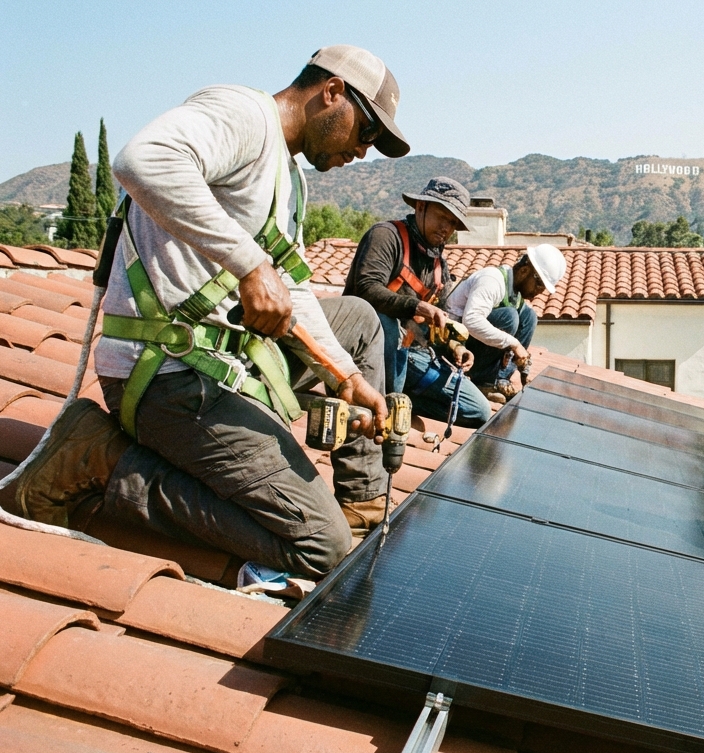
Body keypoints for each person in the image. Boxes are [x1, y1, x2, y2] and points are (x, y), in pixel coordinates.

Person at [6, 45, 410, 578]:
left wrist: (346, 377)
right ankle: (103, 459)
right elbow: (141, 159)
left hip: (220, 355)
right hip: (166, 374)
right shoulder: (244, 115)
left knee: (357, 319)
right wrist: (248, 266)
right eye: (365, 134)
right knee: (322, 546)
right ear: (332, 93)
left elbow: (292, 287)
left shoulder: (289, 179)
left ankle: (360, 497)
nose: (363, 152)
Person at [343, 177, 490, 427]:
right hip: (364, 350)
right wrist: (417, 306)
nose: (446, 227)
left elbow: (437, 324)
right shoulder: (386, 236)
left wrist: (455, 347)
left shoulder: (438, 266)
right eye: (442, 216)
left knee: (477, 410)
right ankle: (383, 407)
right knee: (385, 323)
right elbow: (366, 289)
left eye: (452, 223)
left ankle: (401, 400)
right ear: (420, 207)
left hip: (410, 356)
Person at [443, 243, 566, 403]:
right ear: (524, 271)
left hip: (472, 343)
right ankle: (481, 382)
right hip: (454, 345)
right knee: (509, 316)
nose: (539, 293)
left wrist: (516, 359)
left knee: (529, 317)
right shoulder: (492, 280)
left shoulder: (514, 292)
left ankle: (501, 380)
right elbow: (472, 321)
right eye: (539, 285)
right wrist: (514, 344)